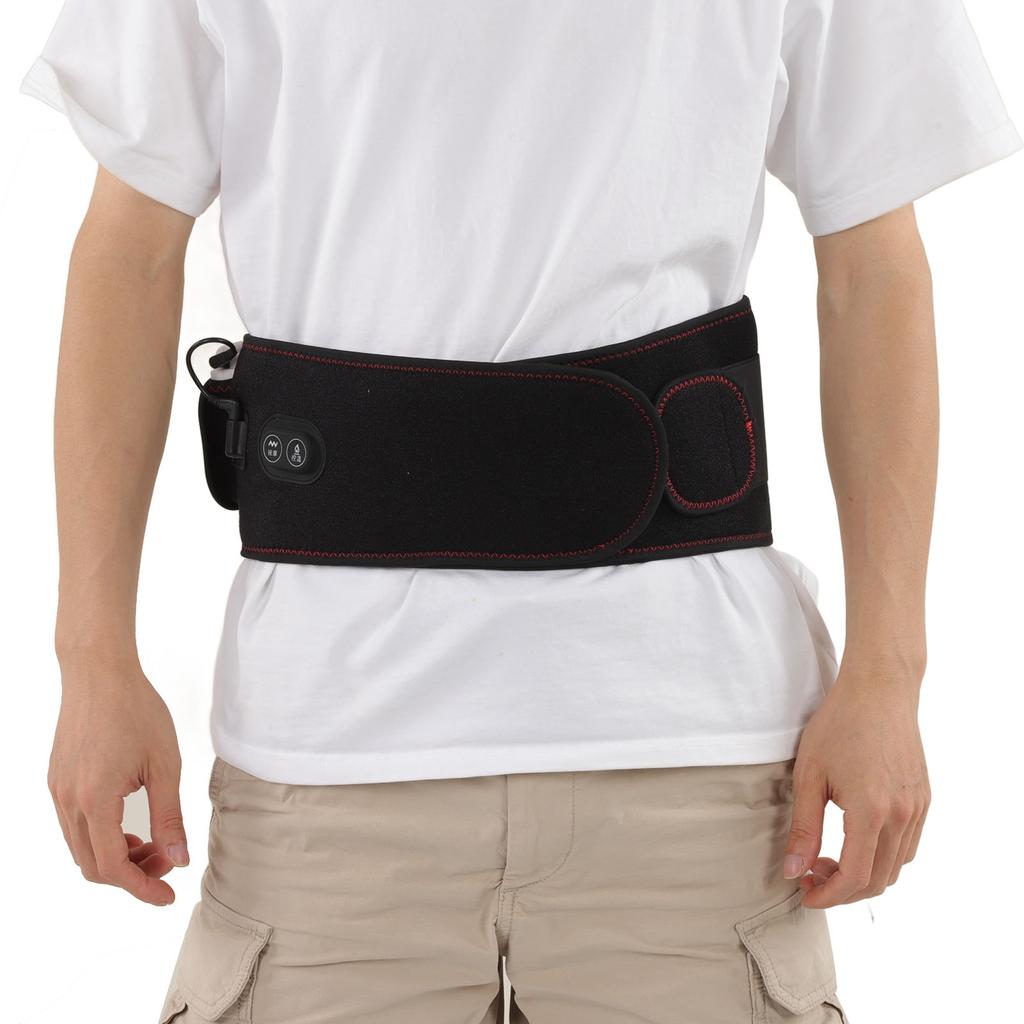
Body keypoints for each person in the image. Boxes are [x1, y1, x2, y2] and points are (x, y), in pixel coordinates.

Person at [21, 1, 1020, 1021]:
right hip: (327, 764)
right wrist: (93, 659)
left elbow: (873, 269)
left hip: (689, 767)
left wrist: (889, 675)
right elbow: (129, 251)